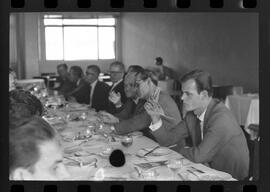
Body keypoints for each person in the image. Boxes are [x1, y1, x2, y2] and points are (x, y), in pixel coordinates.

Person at [145, 69, 249, 180]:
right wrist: (155, 117)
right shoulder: (192, 115)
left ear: (204, 95)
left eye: (188, 94)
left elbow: (198, 156)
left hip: (230, 178)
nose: (182, 98)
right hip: (205, 170)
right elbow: (167, 140)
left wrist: (178, 150)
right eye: (182, 93)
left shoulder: (221, 119)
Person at [109, 68, 182, 142]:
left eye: (137, 85)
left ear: (149, 82)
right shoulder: (147, 98)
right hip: (159, 142)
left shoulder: (160, 99)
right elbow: (132, 119)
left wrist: (111, 128)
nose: (136, 89)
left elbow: (137, 122)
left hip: (172, 146)